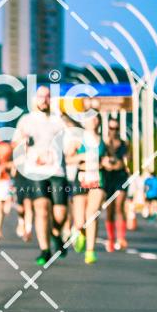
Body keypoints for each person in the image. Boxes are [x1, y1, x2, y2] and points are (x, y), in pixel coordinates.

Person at [12, 85, 69, 265]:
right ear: (34, 99)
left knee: (60, 214)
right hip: (35, 171)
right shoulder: (26, 120)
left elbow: (72, 140)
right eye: (40, 96)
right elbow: (15, 143)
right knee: (41, 209)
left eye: (47, 96)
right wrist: (22, 142)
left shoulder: (58, 120)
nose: (44, 100)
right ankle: (45, 250)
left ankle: (55, 233)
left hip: (57, 170)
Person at [67, 113, 106, 264]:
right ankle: (80, 232)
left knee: (92, 214)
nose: (93, 120)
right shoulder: (78, 140)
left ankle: (90, 251)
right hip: (82, 178)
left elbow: (109, 158)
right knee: (80, 221)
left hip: (98, 178)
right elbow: (68, 159)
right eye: (90, 117)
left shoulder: (103, 140)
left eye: (96, 117)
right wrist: (81, 157)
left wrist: (106, 162)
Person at [102, 117, 130, 251]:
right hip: (107, 178)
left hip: (121, 177)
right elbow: (101, 161)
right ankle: (111, 239)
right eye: (111, 128)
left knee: (119, 206)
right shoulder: (103, 143)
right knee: (110, 209)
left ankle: (121, 238)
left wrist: (121, 163)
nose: (114, 130)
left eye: (116, 128)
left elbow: (126, 161)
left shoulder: (124, 144)